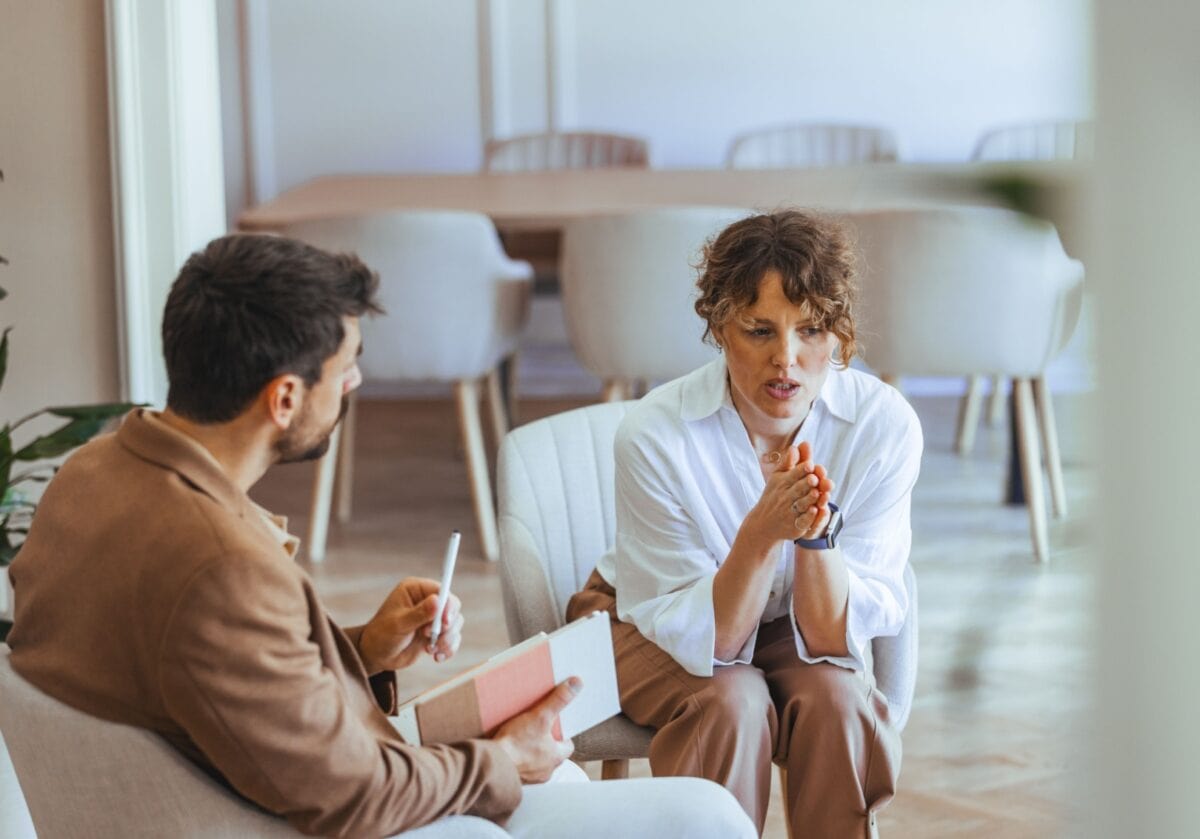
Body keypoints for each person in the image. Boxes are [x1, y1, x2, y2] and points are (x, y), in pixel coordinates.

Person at [6, 233, 755, 839]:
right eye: (347, 368)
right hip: (303, 817)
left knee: (552, 767)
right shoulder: (222, 566)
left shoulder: (92, 471)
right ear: (286, 397)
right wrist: (499, 758)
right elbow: (355, 798)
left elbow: (206, 674)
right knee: (708, 816)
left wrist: (360, 648)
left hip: (229, 786)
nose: (357, 385)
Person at [566, 209, 923, 837]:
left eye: (811, 330)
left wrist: (814, 534)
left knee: (837, 703)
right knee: (733, 702)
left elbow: (831, 635)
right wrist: (761, 532)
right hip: (650, 618)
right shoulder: (655, 434)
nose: (786, 360)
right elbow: (721, 642)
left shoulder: (883, 426)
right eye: (760, 330)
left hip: (797, 617)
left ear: (839, 337)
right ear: (719, 328)